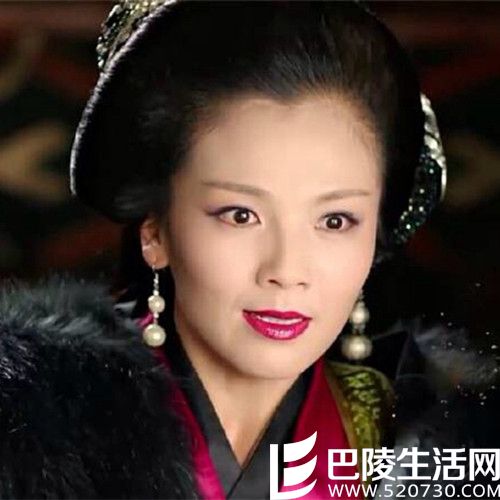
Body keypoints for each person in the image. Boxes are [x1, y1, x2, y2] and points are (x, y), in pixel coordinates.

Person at [0, 1, 497, 499]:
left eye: (335, 220)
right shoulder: (31, 429)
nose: (286, 269)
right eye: (240, 215)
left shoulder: (440, 443)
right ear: (155, 232)